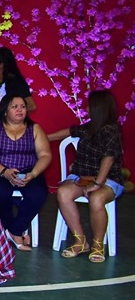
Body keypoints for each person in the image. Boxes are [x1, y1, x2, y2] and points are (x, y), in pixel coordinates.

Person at [48, 90, 124, 263]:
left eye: (90, 105)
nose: (87, 108)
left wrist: (97, 183)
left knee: (97, 198)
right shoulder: (88, 127)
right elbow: (68, 132)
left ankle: (98, 245)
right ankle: (80, 241)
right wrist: (42, 138)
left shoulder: (111, 131)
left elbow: (109, 158)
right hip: (81, 176)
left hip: (108, 179)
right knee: (63, 193)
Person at [0, 95, 51, 252]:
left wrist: (33, 174)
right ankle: (11, 231)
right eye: (15, 107)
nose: (20, 110)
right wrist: (4, 171)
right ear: (5, 111)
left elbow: (45, 155)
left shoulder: (35, 128)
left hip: (28, 171)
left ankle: (15, 230)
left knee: (38, 193)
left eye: (23, 107)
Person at [0, 46, 36, 123]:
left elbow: (32, 106)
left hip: (4, 131)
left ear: (1, 64)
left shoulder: (15, 83)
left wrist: (10, 118)